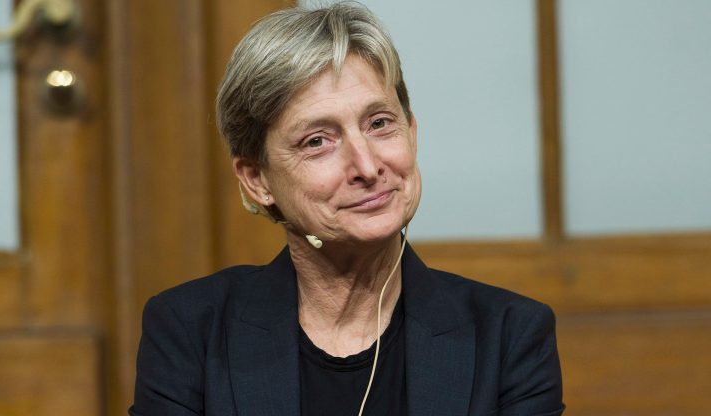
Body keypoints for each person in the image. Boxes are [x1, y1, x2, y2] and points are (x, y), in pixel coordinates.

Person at [130, 2, 565, 415]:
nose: (367, 166)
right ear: (257, 179)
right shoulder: (190, 332)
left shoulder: (509, 336)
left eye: (379, 123)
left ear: (411, 133)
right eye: (317, 141)